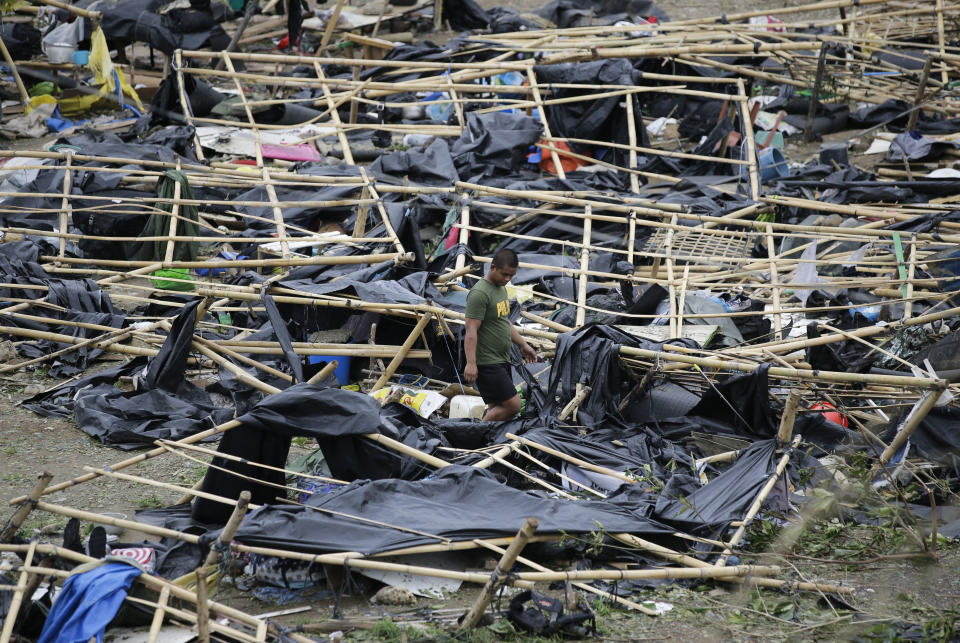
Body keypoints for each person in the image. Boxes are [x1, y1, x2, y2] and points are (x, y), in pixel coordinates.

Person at [463, 248, 537, 421]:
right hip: (487, 362)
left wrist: (523, 345)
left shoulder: (501, 288)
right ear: (493, 267)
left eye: (511, 275)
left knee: (497, 406)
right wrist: (471, 363)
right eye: (504, 274)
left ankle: (489, 438)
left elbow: (504, 322)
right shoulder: (479, 293)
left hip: (502, 358)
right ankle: (477, 432)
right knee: (514, 405)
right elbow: (470, 331)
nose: (508, 279)